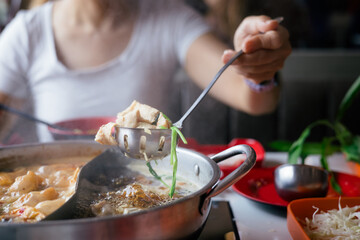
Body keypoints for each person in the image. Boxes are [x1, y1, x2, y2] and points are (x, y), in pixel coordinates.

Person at [0, 0, 291, 143]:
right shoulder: (27, 34)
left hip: (146, 197)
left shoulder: (169, 19)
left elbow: (254, 100)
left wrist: (256, 64)